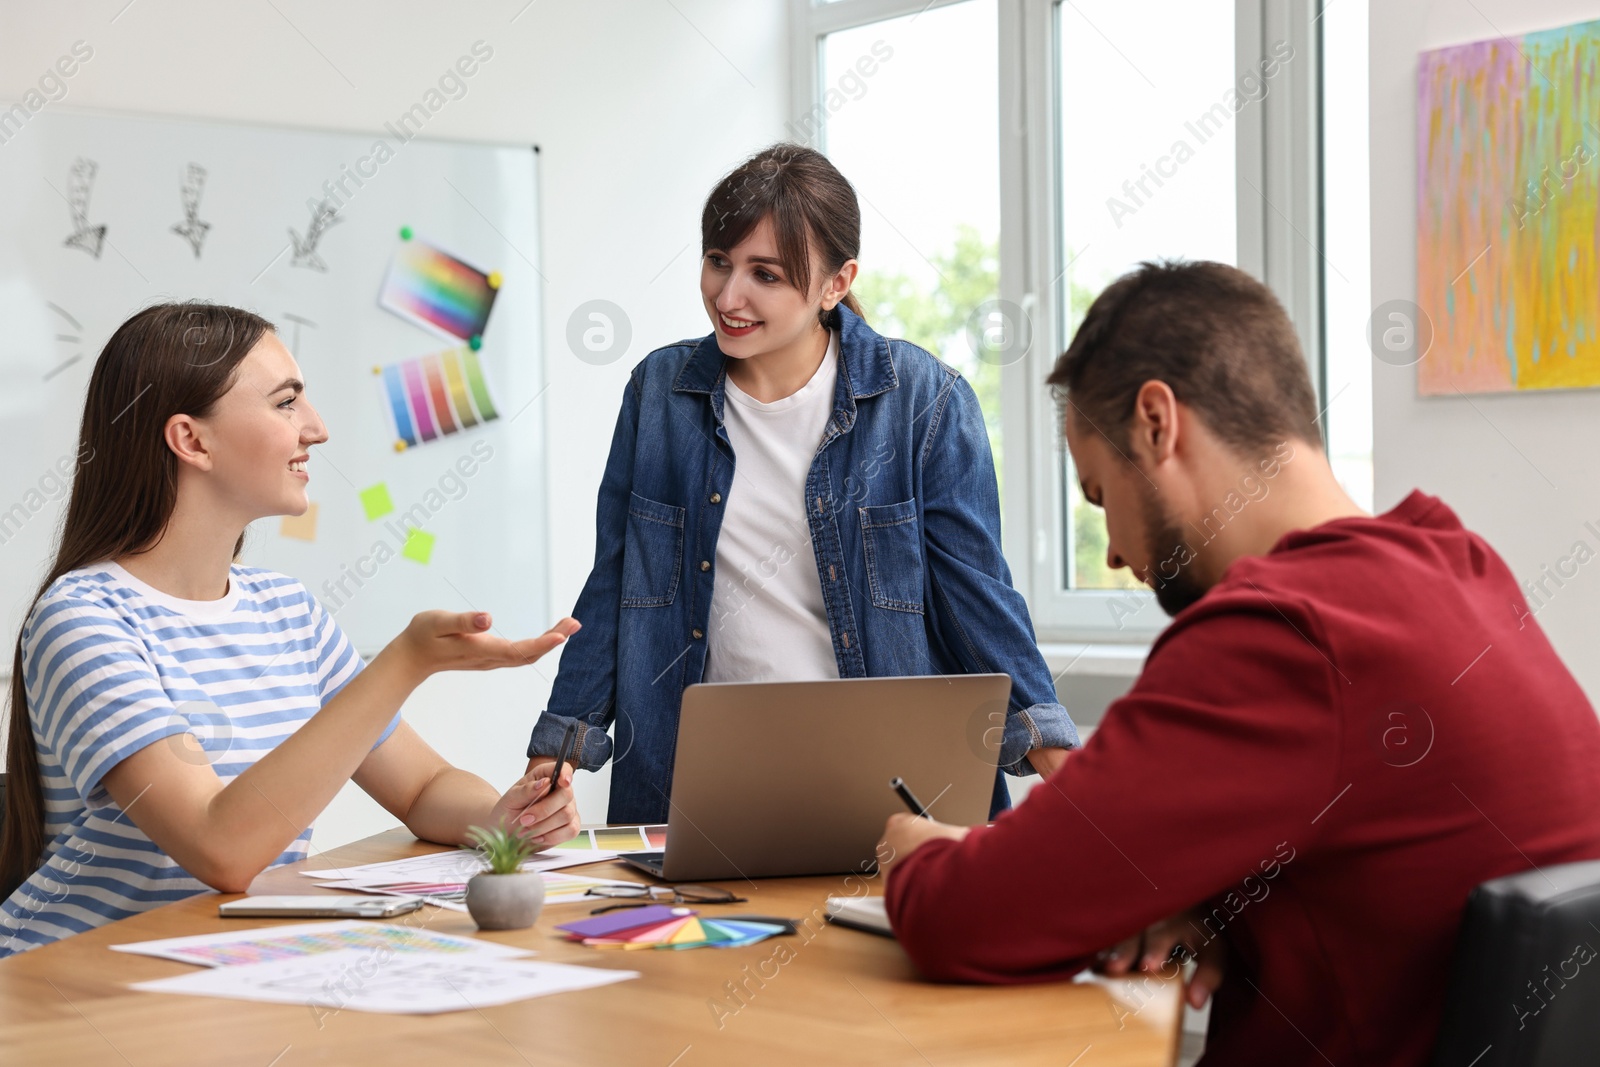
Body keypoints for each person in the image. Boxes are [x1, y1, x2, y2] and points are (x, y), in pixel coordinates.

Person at [879, 260, 1600, 1066]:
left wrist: (917, 849)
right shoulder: (1460, 566)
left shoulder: (1283, 635)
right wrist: (1213, 899)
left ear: (1158, 422)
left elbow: (962, 919)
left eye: (1099, 492)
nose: (1113, 550)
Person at [0, 303, 581, 957]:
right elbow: (223, 849)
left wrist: (506, 816)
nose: (318, 429)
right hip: (68, 988)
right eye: (285, 403)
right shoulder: (82, 619)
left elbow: (422, 788)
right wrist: (405, 662)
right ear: (192, 440)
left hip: (213, 972)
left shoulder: (286, 609)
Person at [525, 143, 1078, 823]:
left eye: (766, 274)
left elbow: (978, 598)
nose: (729, 297)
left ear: (836, 283)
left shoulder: (922, 401)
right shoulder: (660, 396)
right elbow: (617, 582)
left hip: (892, 786)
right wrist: (558, 752)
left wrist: (1068, 777)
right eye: (718, 262)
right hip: (697, 782)